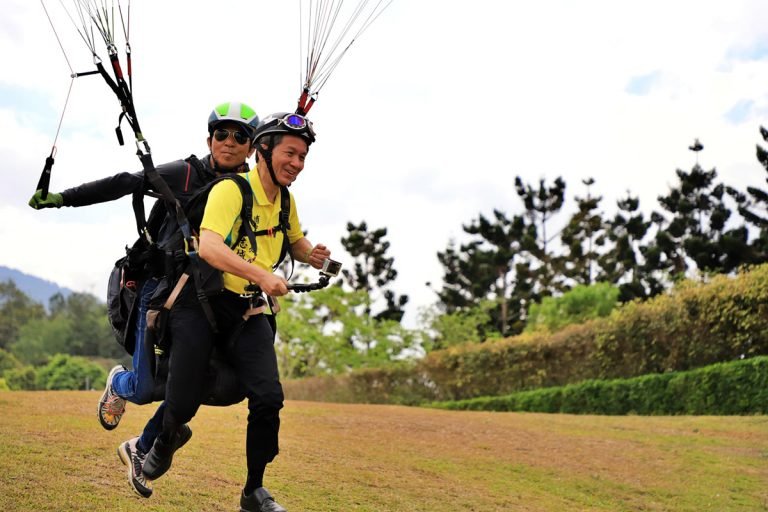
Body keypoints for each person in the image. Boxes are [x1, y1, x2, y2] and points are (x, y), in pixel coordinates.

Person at [28, 101, 260, 498]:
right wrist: (63, 198)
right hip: (161, 293)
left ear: (253, 148)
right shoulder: (186, 173)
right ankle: (120, 384)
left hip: (212, 298)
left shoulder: (254, 189)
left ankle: (147, 443)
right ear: (209, 139)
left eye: (241, 136)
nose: (229, 142)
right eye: (222, 133)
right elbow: (126, 181)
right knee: (144, 387)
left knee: (207, 377)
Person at [141, 111, 331, 512]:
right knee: (182, 402)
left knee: (268, 398)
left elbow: (293, 239)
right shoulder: (230, 191)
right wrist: (262, 274)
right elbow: (209, 247)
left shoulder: (285, 200)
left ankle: (253, 491)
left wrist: (310, 254)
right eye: (290, 154)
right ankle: (165, 436)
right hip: (202, 300)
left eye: (302, 158)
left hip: (249, 309)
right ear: (263, 150)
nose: (297, 164)